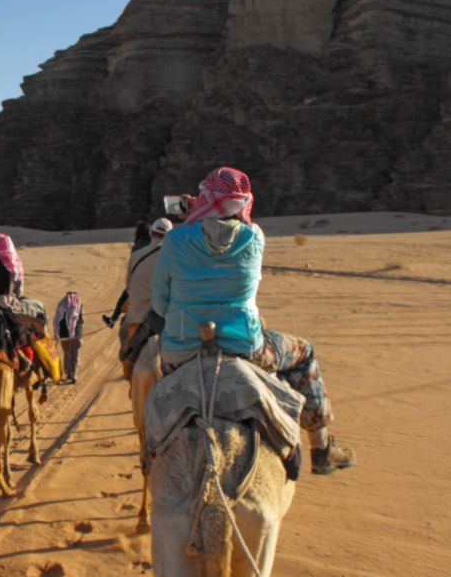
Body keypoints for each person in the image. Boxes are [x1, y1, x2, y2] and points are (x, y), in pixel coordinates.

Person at [149, 167, 356, 475]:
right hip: (247, 348)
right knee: (304, 353)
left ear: (205, 197)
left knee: (158, 387)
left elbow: (160, 305)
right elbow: (225, 229)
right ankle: (322, 448)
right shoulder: (255, 237)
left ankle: (150, 452)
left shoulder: (175, 240)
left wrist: (194, 213)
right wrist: (206, 210)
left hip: (181, 352)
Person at [120, 217, 173, 378]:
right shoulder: (173, 256)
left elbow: (128, 287)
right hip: (167, 317)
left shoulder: (136, 255)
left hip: (138, 316)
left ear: (151, 233)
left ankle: (128, 365)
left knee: (124, 338)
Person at [103, 221, 151, 329]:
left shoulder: (136, 247)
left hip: (140, 282)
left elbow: (132, 268)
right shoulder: (156, 245)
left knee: (125, 295)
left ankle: (113, 319)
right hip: (155, 281)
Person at [53, 292, 84, 383]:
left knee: (67, 354)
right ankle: (74, 375)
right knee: (75, 355)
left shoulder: (61, 306)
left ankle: (69, 373)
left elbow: (56, 321)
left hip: (64, 336)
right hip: (77, 335)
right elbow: (82, 320)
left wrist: (57, 333)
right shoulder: (79, 306)